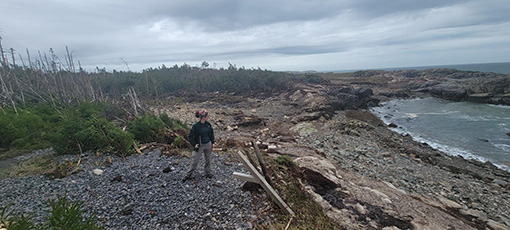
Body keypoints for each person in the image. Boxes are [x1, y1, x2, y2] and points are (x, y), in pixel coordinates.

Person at [183, 109, 215, 181]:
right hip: (200, 145)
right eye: (207, 116)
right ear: (203, 117)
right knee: (195, 160)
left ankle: (208, 173)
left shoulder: (208, 124)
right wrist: (194, 144)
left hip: (208, 144)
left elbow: (211, 134)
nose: (208, 117)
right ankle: (189, 174)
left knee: (208, 159)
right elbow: (190, 136)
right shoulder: (196, 126)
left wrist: (213, 142)